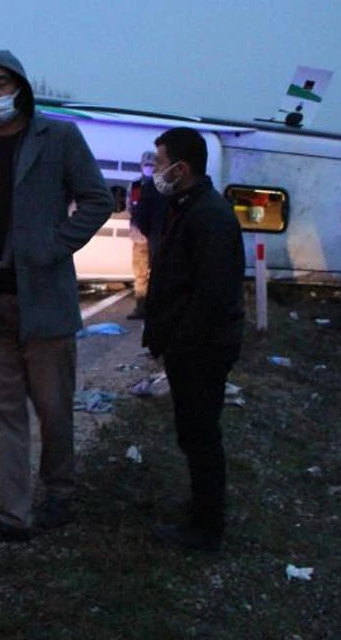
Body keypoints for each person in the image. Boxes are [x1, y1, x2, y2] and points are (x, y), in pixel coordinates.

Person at [0, 50, 112, 547]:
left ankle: (58, 491)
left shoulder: (59, 138)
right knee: (4, 413)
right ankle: (11, 515)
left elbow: (98, 198)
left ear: (21, 87)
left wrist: (54, 245)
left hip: (44, 300)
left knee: (53, 407)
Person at [141, 127, 245, 552]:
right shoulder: (187, 206)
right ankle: (201, 510)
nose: (155, 170)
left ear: (182, 168)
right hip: (191, 346)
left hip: (202, 349)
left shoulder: (209, 215)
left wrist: (179, 343)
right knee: (194, 433)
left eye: (160, 161)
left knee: (201, 435)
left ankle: (206, 528)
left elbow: (211, 295)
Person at [126, 151, 162, 319]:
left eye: (152, 164)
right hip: (139, 236)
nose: (149, 167)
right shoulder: (136, 185)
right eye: (146, 164)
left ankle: (155, 307)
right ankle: (141, 307)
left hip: (157, 236)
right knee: (140, 273)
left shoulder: (162, 185)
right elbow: (131, 207)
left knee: (158, 271)